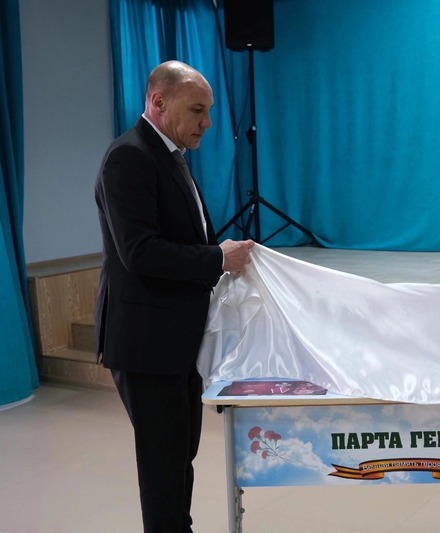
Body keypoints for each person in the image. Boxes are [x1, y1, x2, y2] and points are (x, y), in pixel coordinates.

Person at [94, 60, 255, 532]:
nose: (208, 122)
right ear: (158, 102)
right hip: (147, 344)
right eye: (198, 110)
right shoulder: (129, 157)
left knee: (180, 456)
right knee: (164, 468)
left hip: (176, 340)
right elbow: (139, 251)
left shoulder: (169, 155)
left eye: (210, 111)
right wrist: (217, 259)